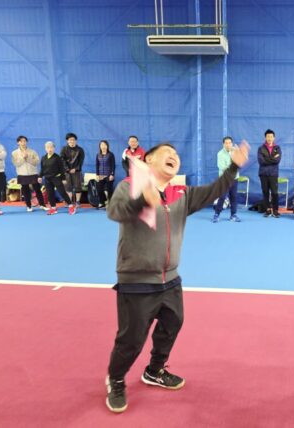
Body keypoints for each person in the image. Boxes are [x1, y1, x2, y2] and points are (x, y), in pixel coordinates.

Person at [105, 141, 250, 413]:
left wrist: (233, 167)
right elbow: (114, 211)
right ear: (149, 160)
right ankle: (116, 379)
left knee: (173, 323)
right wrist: (143, 200)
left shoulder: (181, 193)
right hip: (136, 280)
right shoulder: (130, 186)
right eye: (167, 153)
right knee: (131, 339)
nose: (174, 156)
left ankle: (154, 370)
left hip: (170, 279)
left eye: (176, 154)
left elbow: (215, 190)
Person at [11, 136, 47, 212]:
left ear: (26, 142)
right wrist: (23, 158)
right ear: (18, 143)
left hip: (33, 173)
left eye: (24, 141)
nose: (23, 143)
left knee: (37, 190)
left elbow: (36, 162)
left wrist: (28, 158)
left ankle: (42, 205)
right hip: (22, 174)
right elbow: (16, 164)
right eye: (21, 141)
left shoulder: (32, 151)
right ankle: (29, 206)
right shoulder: (14, 153)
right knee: (25, 191)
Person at [39, 141, 76, 215]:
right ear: (45, 149)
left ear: (54, 148)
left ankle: (71, 206)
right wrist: (40, 176)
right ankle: (53, 208)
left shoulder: (57, 157)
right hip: (47, 179)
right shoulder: (43, 158)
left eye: (51, 147)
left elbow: (61, 169)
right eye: (48, 147)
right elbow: (42, 169)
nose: (50, 149)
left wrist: (63, 179)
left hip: (56, 178)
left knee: (62, 192)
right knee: (50, 194)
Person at [213, 136, 240, 223]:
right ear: (223, 144)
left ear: (232, 143)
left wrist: (238, 154)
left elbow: (239, 164)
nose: (228, 144)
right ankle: (216, 214)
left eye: (229, 143)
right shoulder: (220, 154)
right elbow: (222, 167)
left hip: (234, 178)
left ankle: (233, 215)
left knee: (234, 197)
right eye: (226, 143)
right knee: (222, 197)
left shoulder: (235, 152)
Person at [257, 129, 281, 218]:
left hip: (273, 174)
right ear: (265, 137)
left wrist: (267, 158)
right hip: (263, 174)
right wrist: (272, 158)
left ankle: (275, 210)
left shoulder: (277, 148)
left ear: (274, 138)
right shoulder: (261, 148)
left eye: (271, 136)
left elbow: (277, 160)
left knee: (275, 193)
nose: (269, 138)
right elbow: (261, 161)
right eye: (268, 136)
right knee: (265, 192)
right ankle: (267, 210)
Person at [60, 132, 85, 207]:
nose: (72, 141)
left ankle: (78, 202)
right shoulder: (64, 149)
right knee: (68, 187)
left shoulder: (80, 150)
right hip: (67, 172)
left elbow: (81, 161)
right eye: (70, 140)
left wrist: (76, 169)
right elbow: (62, 160)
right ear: (67, 141)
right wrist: (67, 169)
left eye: (73, 140)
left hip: (77, 172)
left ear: (76, 140)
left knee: (78, 187)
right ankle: (69, 202)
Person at [96, 140, 116, 208]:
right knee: (99, 189)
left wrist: (112, 174)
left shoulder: (111, 154)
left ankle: (110, 203)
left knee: (109, 190)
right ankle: (102, 202)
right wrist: (97, 174)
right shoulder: (98, 155)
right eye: (102, 145)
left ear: (107, 146)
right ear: (100, 146)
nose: (103, 146)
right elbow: (97, 165)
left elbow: (113, 165)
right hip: (100, 175)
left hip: (109, 175)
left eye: (105, 145)